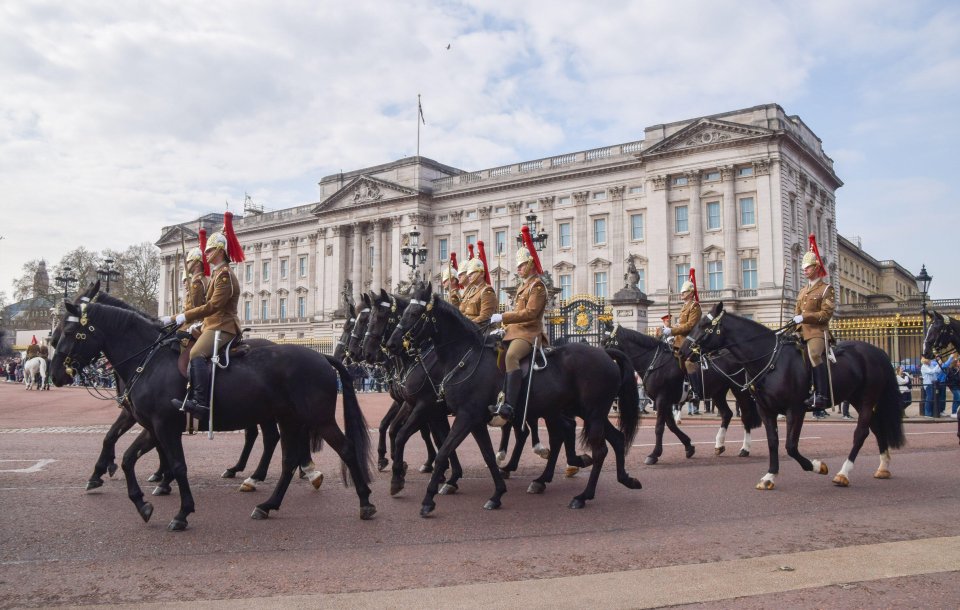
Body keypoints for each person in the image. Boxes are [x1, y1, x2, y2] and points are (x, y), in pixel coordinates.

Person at [161, 213, 244, 418]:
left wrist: (179, 318)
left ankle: (201, 402)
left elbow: (214, 306)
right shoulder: (217, 273)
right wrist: (192, 325)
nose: (205, 254)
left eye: (209, 250)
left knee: (196, 354)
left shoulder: (224, 275)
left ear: (219, 251)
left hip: (223, 326)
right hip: (211, 324)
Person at [487, 226, 547, 426]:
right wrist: (502, 327)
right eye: (518, 266)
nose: (518, 269)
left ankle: (510, 405)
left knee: (512, 355)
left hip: (530, 333)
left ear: (530, 265)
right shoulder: (523, 286)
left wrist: (503, 315)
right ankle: (499, 397)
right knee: (495, 352)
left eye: (521, 265)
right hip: (514, 331)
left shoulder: (537, 286)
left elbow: (530, 314)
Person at [793, 235, 835, 412]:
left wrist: (805, 317)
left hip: (817, 331)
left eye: (808, 267)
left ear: (817, 268)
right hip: (800, 331)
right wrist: (796, 324)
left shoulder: (826, 289)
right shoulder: (803, 291)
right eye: (803, 268)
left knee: (814, 354)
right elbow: (797, 311)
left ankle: (821, 394)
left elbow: (825, 314)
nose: (805, 270)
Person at [658, 269, 702, 411]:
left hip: (690, 341)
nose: (681, 294)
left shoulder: (694, 306)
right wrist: (673, 328)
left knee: (689, 363)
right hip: (680, 341)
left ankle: (695, 392)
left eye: (684, 292)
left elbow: (690, 326)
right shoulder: (684, 306)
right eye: (682, 292)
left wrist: (672, 329)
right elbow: (683, 324)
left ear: (690, 292)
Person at [458, 257, 498, 326]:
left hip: (480, 330)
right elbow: (464, 312)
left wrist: (466, 325)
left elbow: (485, 317)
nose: (469, 275)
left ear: (482, 274)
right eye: (468, 273)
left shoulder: (487, 291)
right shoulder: (470, 291)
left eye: (472, 272)